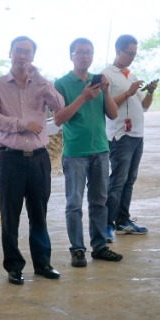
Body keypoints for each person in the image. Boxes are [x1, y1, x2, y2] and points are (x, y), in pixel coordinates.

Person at [0, 36, 65, 285]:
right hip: (9, 159)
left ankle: (43, 263)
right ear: (10, 53)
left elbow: (59, 105)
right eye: (18, 51)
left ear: (33, 56)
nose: (22, 56)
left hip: (39, 158)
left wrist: (41, 80)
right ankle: (14, 266)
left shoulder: (41, 85)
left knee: (39, 213)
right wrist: (23, 124)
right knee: (10, 215)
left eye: (27, 52)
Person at [54, 37, 122, 268]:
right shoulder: (61, 84)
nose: (84, 56)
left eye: (88, 52)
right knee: (74, 203)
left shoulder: (99, 82)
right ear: (71, 56)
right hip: (75, 152)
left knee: (99, 202)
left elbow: (113, 114)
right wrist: (83, 98)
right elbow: (59, 119)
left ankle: (100, 246)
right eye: (80, 52)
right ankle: (77, 249)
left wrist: (106, 91)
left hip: (101, 150)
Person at [101, 34, 157, 241]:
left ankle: (123, 221)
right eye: (129, 53)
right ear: (118, 50)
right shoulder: (106, 75)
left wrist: (149, 92)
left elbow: (144, 106)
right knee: (118, 181)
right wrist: (129, 92)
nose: (132, 57)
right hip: (120, 135)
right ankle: (106, 225)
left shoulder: (131, 76)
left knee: (129, 181)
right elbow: (105, 105)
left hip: (136, 134)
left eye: (135, 53)